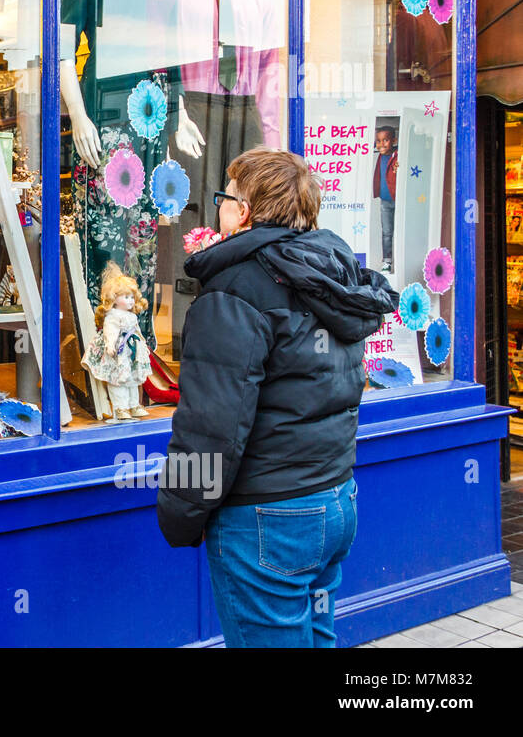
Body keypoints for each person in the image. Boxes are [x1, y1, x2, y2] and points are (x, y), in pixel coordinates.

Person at [156, 147, 397, 647]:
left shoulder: (235, 288)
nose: (219, 205)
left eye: (223, 197)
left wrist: (180, 512)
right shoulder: (330, 271)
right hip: (334, 499)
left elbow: (212, 424)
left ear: (241, 210)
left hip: (269, 517)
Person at [372, 126, 398, 273]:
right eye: (378, 141)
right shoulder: (380, 156)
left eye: (386, 140)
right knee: (387, 232)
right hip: (385, 201)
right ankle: (387, 261)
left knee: (400, 231)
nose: (381, 144)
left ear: (394, 140)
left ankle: (401, 258)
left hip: (399, 200)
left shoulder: (398, 155)